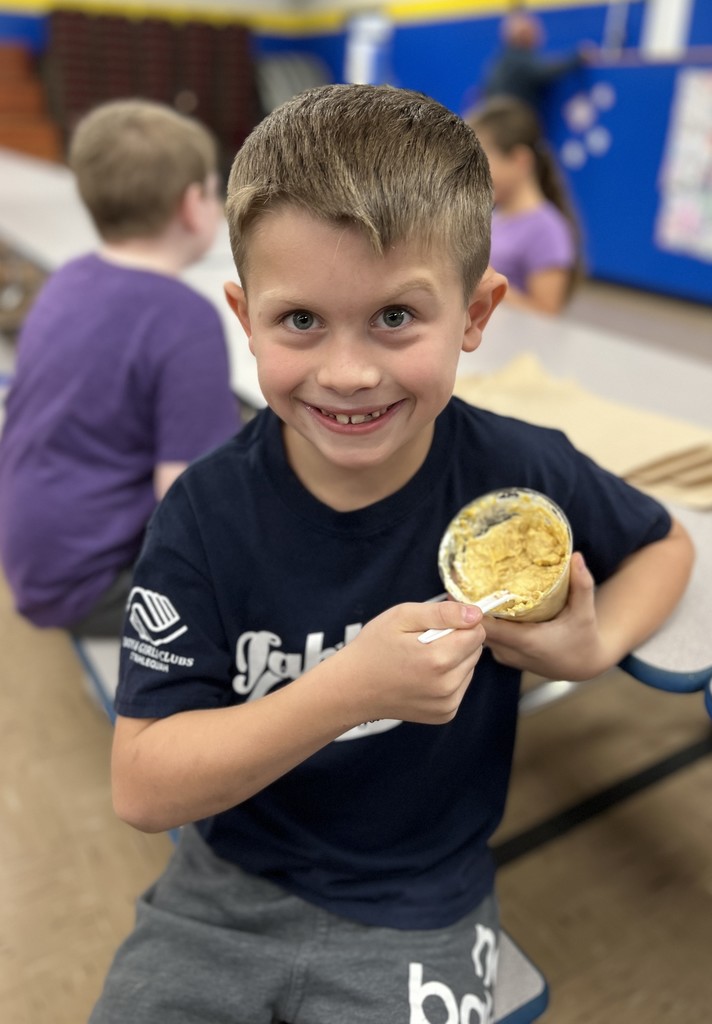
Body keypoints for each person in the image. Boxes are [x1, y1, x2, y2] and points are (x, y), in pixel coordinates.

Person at [89, 84, 693, 1023]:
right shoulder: (203, 514)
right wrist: (347, 690)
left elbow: (664, 544)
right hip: (223, 893)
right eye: (299, 322)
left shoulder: (519, 470)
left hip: (424, 903)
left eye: (396, 318)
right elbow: (142, 782)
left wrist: (592, 643)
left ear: (478, 313)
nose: (348, 372)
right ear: (244, 317)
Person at [0, 98, 241, 638]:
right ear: (189, 204)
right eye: (213, 188)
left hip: (32, 551)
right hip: (90, 584)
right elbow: (188, 498)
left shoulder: (69, 279)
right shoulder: (185, 319)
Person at [466, 95, 582, 314]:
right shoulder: (493, 215)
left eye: (483, 163)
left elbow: (546, 316)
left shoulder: (548, 230)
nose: (474, 175)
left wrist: (478, 283)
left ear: (520, 160)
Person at [481, 8, 592, 114]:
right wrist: (578, 55)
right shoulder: (519, 59)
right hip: (513, 125)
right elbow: (547, 70)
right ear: (526, 35)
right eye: (536, 31)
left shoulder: (500, 60)